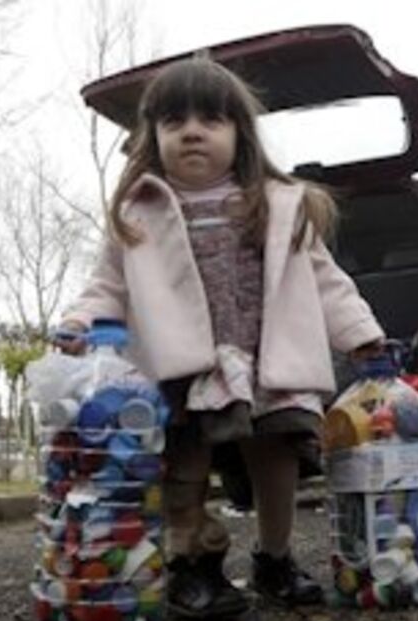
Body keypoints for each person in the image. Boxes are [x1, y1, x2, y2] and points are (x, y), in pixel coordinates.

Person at [55, 57, 385, 619]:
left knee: (276, 457)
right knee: (183, 465)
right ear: (153, 136)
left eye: (211, 119)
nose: (192, 131)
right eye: (174, 121)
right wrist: (81, 321)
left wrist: (359, 333)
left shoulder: (278, 204)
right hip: (186, 366)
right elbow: (108, 285)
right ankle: (191, 564)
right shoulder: (138, 213)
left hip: (268, 360)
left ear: (240, 133)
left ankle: (274, 557)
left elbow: (325, 278)